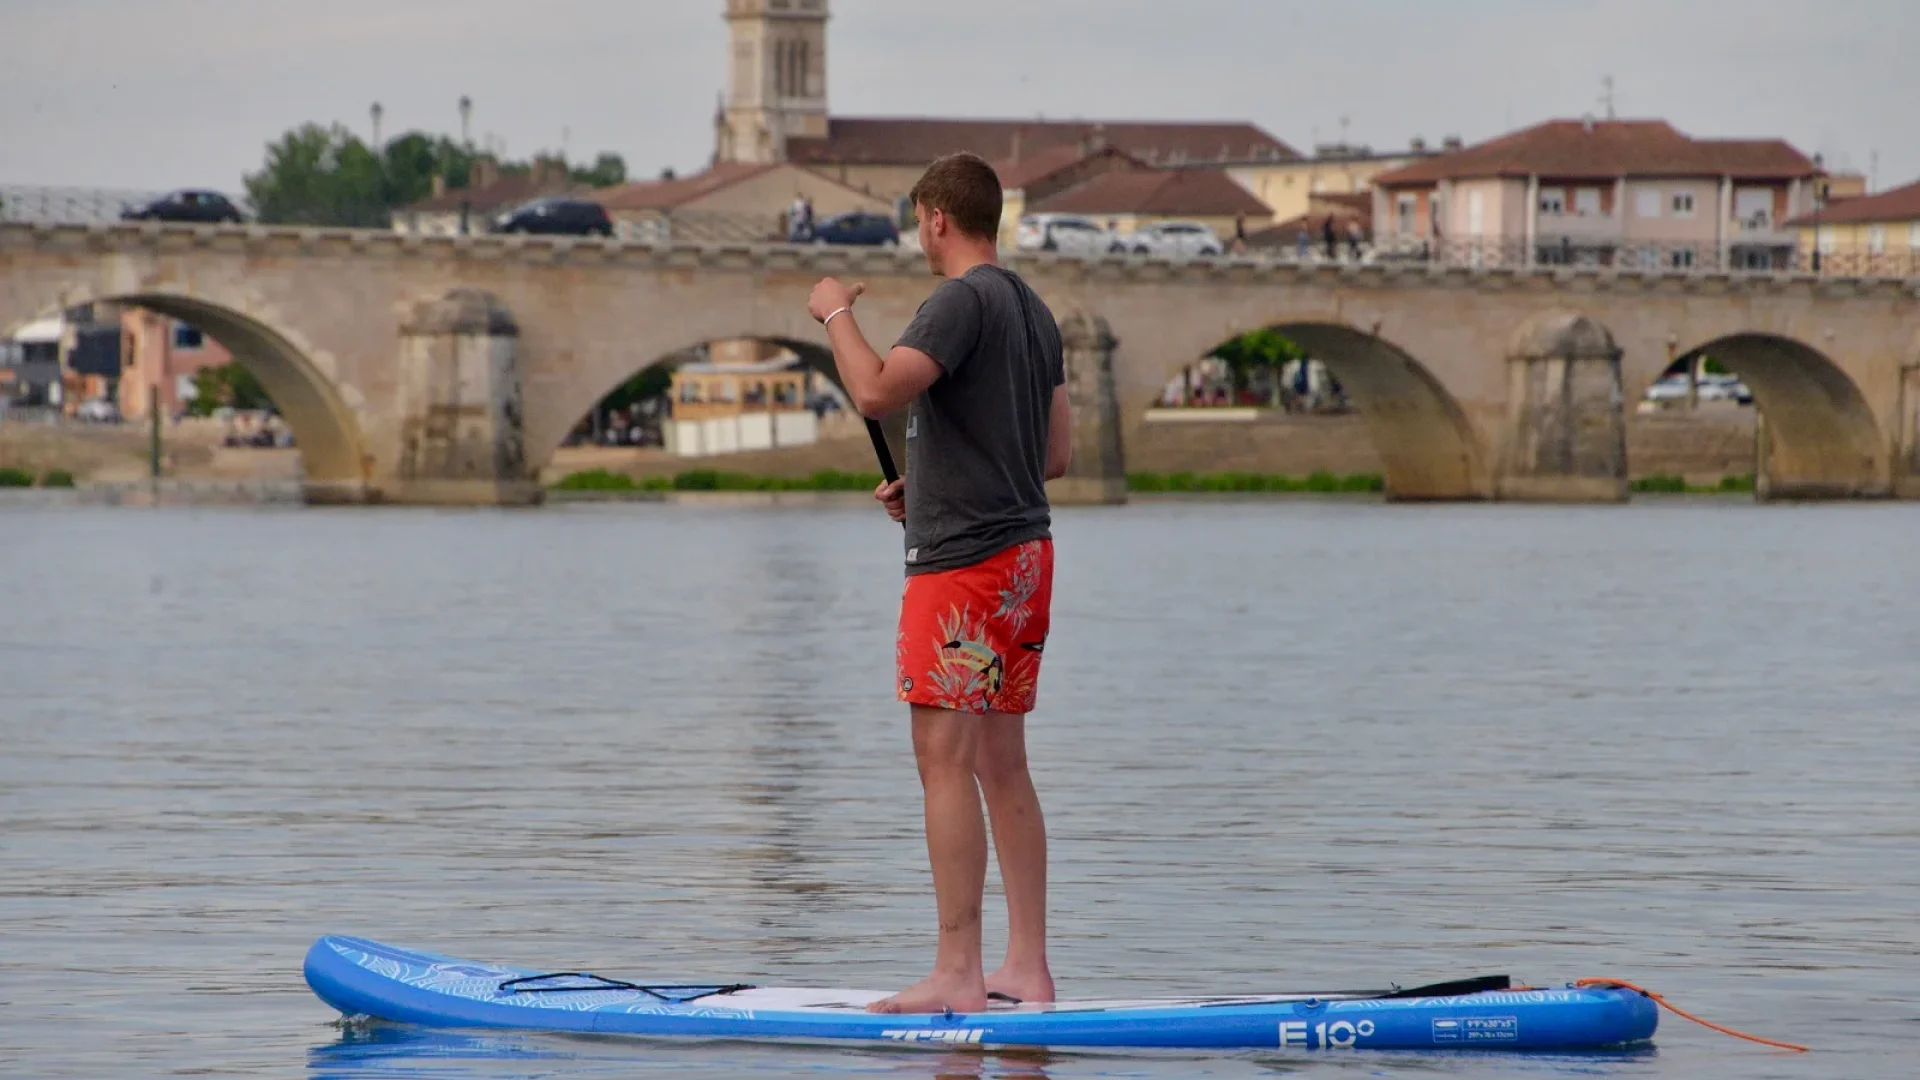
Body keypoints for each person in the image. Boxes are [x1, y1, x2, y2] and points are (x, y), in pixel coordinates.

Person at [806, 151, 1072, 1016]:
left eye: (918, 221)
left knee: (942, 763)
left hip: (961, 567)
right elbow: (1054, 456)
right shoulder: (1034, 312)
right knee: (1002, 763)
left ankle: (957, 973)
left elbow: (878, 390)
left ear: (936, 218)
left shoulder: (959, 301)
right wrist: (933, 486)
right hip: (1024, 559)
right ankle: (1025, 969)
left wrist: (837, 312)